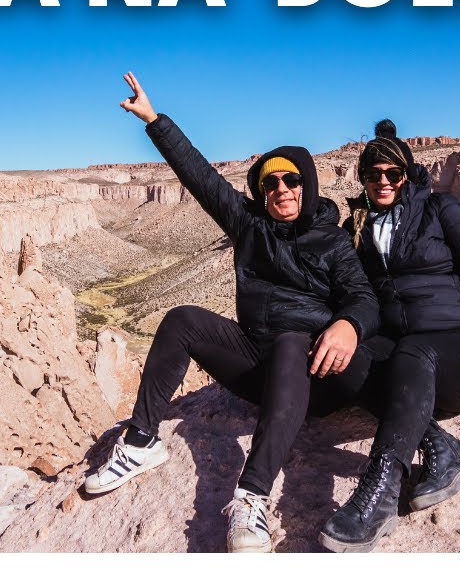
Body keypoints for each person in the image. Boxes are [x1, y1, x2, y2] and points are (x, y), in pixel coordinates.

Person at [82, 72, 383, 553]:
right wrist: (154, 121)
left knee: (289, 339)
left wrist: (349, 325)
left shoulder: (332, 241)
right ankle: (141, 441)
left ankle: (253, 496)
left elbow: (363, 298)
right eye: (271, 183)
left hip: (309, 378)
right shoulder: (250, 226)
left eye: (291, 180)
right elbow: (200, 177)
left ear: (306, 185)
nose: (281, 189)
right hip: (255, 367)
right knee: (180, 318)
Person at [319, 119, 460, 553]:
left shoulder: (440, 209)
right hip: (407, 362)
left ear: (407, 175)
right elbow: (347, 290)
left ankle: (380, 493)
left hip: (459, 351)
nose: (382, 182)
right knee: (345, 358)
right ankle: (443, 448)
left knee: (414, 349)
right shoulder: (358, 228)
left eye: (392, 173)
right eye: (373, 175)